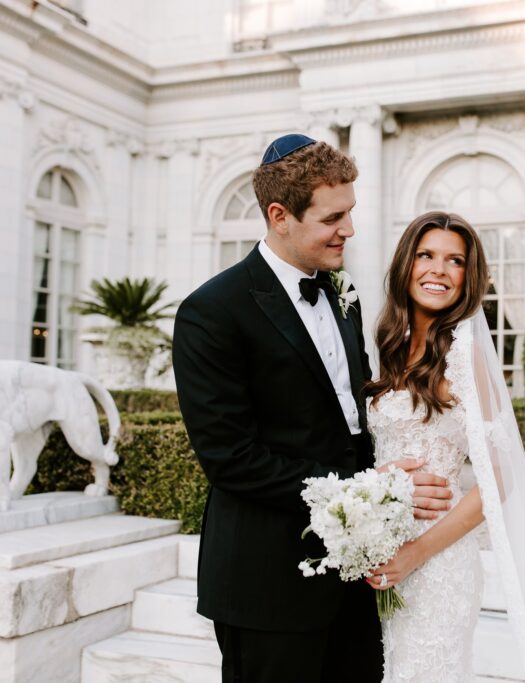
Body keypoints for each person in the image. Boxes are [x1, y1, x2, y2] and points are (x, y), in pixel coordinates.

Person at [172, 135, 453, 683]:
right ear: (280, 216)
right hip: (267, 584)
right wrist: (373, 491)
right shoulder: (211, 313)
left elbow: (349, 421)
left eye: (350, 213)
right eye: (333, 217)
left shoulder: (341, 294)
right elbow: (232, 459)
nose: (348, 229)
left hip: (354, 577)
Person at [364, 211, 525, 683]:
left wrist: (415, 553)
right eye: (426, 255)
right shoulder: (392, 344)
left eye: (455, 261)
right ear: (405, 263)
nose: (438, 269)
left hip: (436, 562)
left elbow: (502, 476)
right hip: (379, 548)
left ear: (467, 277)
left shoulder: (464, 352)